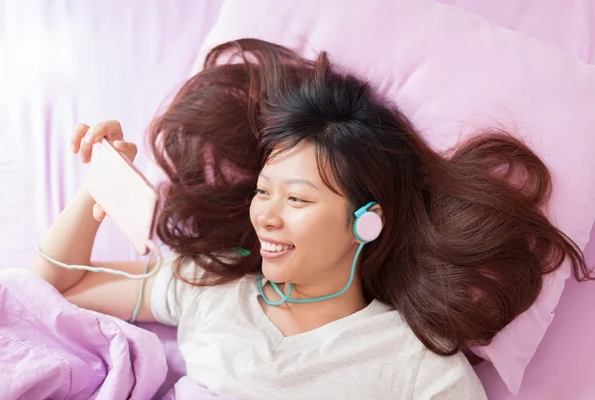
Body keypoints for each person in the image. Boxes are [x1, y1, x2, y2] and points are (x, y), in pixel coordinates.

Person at [31, 39, 591, 399]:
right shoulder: (214, 285)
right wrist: (97, 190)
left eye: (296, 200)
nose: (267, 217)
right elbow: (56, 287)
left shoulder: (415, 367)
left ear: (367, 221)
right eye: (263, 192)